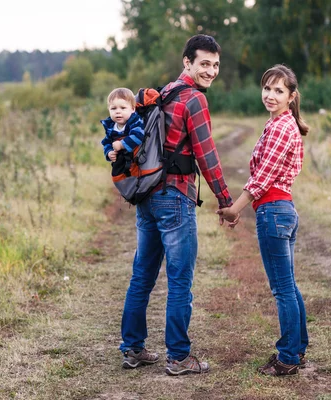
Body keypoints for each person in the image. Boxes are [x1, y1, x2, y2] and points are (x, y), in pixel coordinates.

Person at [119, 34, 238, 376]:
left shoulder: (165, 92)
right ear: (187, 61)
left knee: (142, 275)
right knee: (180, 279)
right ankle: (179, 356)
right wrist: (226, 201)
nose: (211, 71)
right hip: (175, 198)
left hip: (148, 195)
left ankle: (133, 348)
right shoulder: (194, 100)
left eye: (215, 65)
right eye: (204, 63)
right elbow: (207, 155)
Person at [217, 64, 310, 376]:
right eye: (267, 88)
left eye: (279, 91)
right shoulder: (279, 125)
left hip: (274, 212)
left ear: (291, 97)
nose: (271, 95)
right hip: (282, 211)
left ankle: (287, 357)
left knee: (283, 289)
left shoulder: (282, 128)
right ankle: (296, 350)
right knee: (289, 286)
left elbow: (262, 179)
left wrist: (235, 209)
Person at [100, 88, 145, 177]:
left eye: (123, 108)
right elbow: (106, 142)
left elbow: (139, 136)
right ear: (109, 110)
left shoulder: (135, 121)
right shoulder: (111, 126)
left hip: (138, 162)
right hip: (122, 164)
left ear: (132, 109)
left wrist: (121, 144)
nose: (118, 111)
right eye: (113, 108)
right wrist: (109, 152)